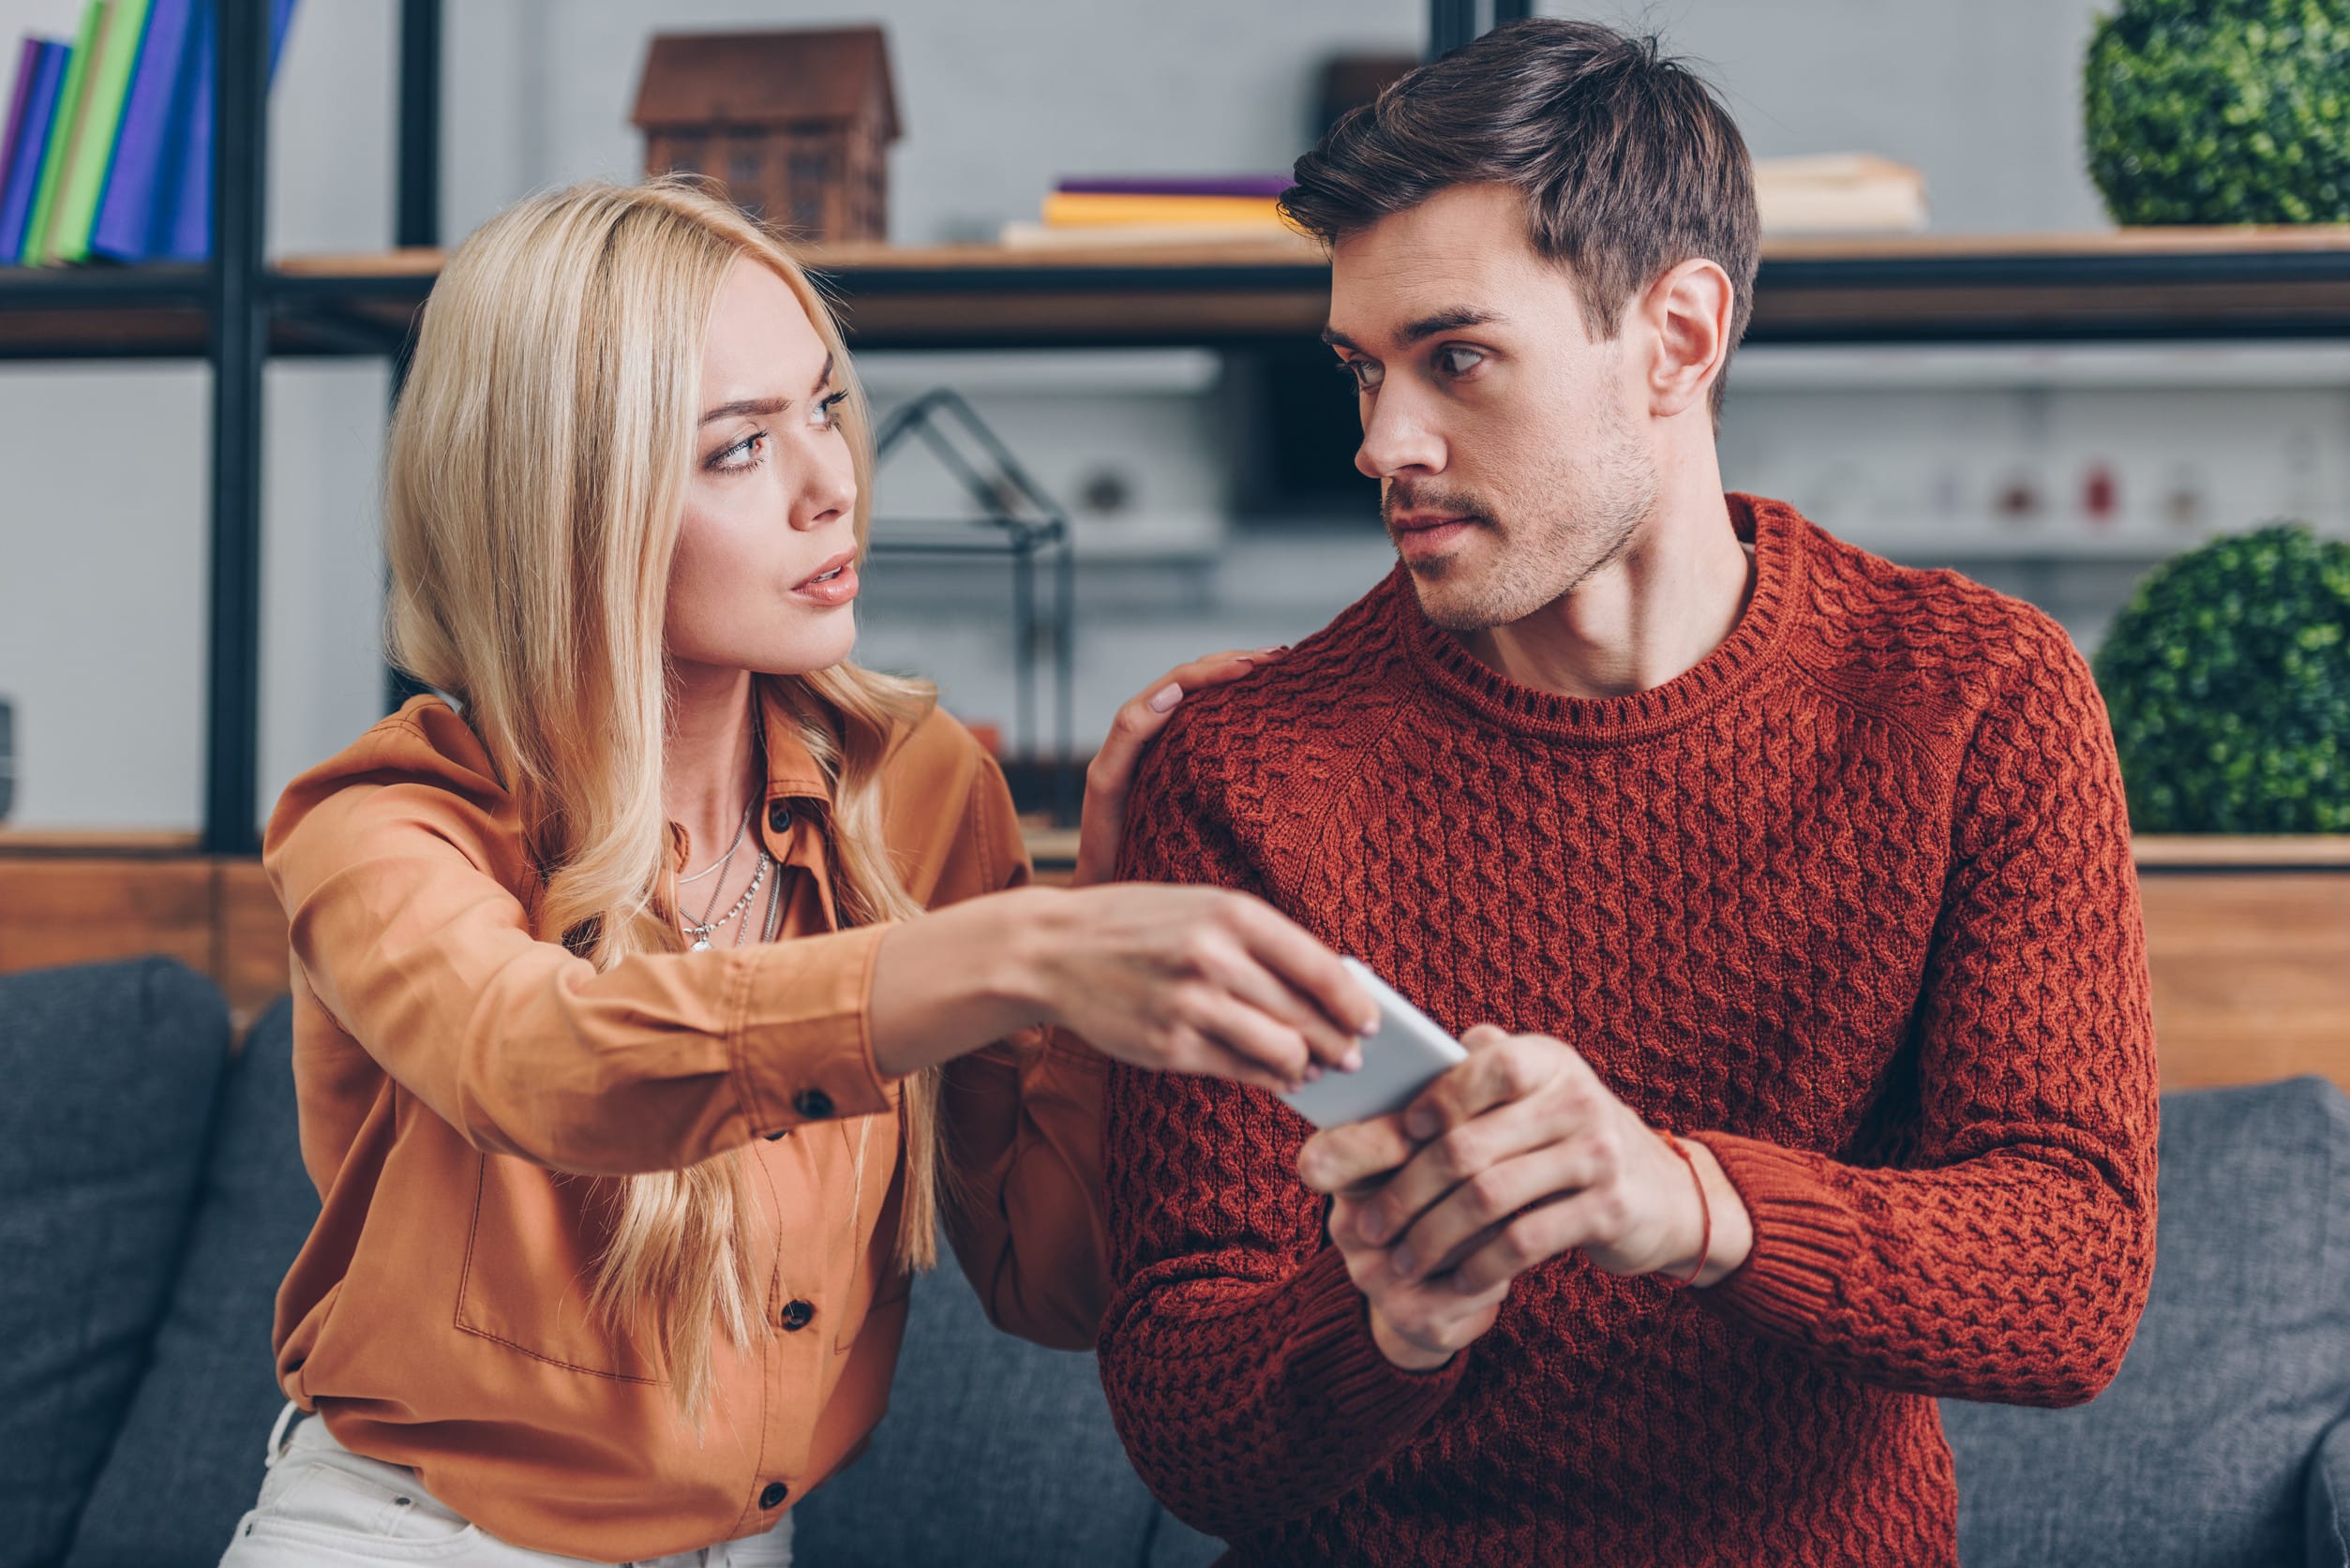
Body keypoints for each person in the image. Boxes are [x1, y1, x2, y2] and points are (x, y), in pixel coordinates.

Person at [1093, 19, 2158, 1566]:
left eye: (1454, 356)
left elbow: (2072, 1278)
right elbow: (1187, 1425)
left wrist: (1691, 1201)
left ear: (1678, 336)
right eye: (1362, 370)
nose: (1383, 440)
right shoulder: (1246, 766)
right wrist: (1388, 1319)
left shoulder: (1977, 696)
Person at [221, 177, 1376, 1568]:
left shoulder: (921, 785)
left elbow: (1049, 1281)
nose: (833, 484)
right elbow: (543, 1060)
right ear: (572, 508)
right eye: (735, 449)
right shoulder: (389, 821)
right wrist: (1015, 954)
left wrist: (1090, 918)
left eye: (824, 407)